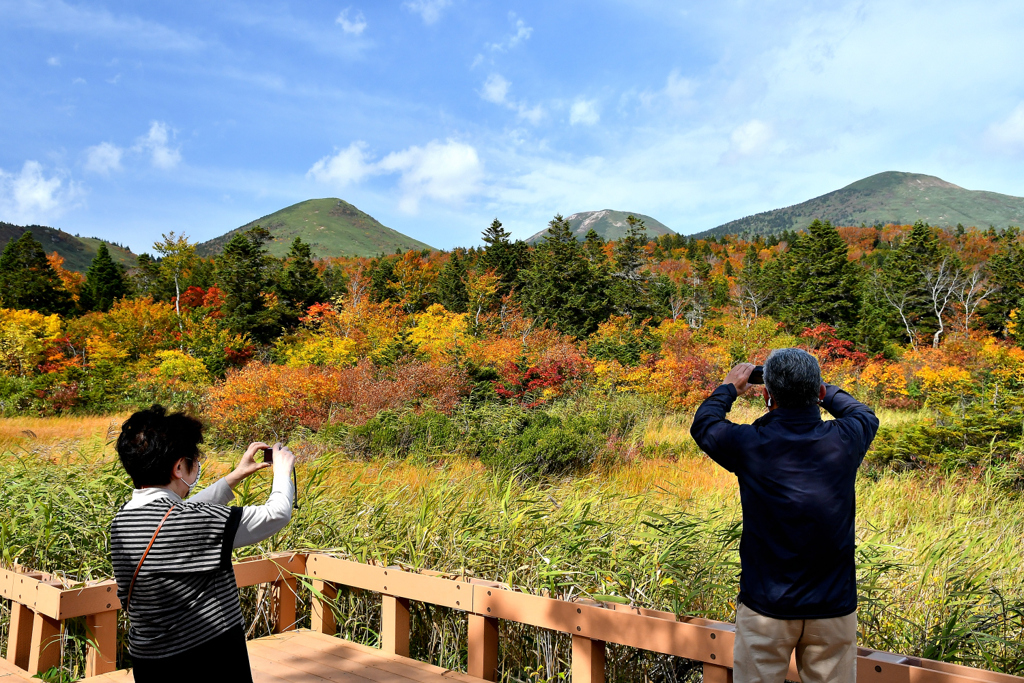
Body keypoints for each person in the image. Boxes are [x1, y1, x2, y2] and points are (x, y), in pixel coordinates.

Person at [690, 348, 879, 683]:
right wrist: (821, 388)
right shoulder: (846, 438)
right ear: (819, 393)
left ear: (766, 395)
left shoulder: (750, 443)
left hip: (766, 606)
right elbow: (863, 413)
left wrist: (729, 388)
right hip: (833, 604)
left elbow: (705, 424)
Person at [109, 405, 296, 682]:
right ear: (178, 468)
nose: (196, 467)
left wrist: (234, 477)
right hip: (208, 657)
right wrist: (283, 470)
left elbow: (179, 516)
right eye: (193, 461)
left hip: (150, 661)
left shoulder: (123, 520)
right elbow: (276, 514)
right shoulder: (191, 521)